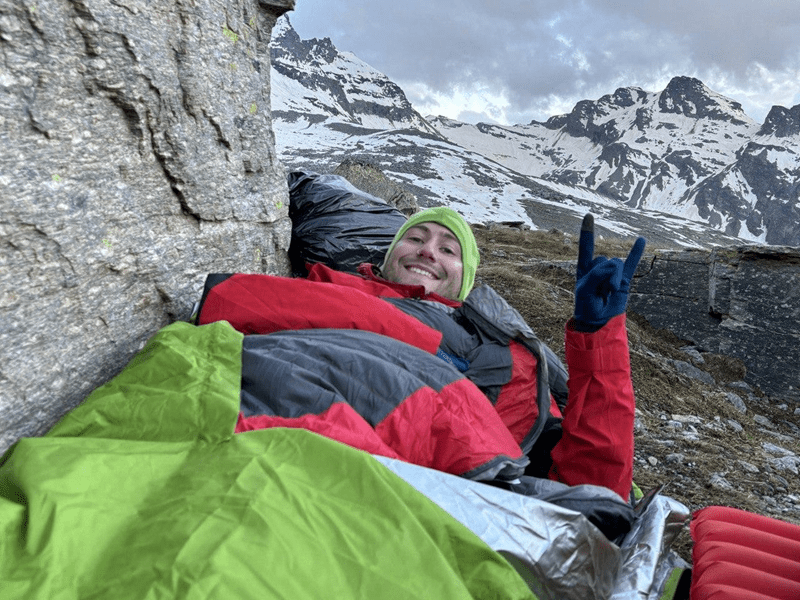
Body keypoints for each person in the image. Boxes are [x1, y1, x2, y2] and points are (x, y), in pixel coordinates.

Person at [355, 207, 645, 500]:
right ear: (388, 256)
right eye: (415, 239)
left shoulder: (506, 351)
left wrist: (598, 338)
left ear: (464, 279)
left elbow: (590, 489)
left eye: (448, 249)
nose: (427, 251)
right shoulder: (337, 288)